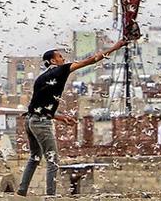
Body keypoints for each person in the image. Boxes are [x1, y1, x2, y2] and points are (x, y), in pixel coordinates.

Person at [17, 39, 127, 196]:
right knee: (52, 160)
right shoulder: (61, 70)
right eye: (60, 56)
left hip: (30, 120)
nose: (63, 59)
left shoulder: (40, 79)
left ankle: (22, 191)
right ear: (53, 61)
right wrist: (116, 46)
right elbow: (92, 60)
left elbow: (39, 106)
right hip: (41, 123)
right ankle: (51, 196)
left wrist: (60, 118)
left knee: (34, 157)